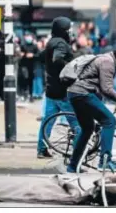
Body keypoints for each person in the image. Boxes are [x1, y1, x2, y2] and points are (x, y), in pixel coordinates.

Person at [67, 40, 116, 172]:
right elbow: (107, 89)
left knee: (87, 129)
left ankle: (72, 166)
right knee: (109, 121)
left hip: (75, 93)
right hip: (83, 93)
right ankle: (105, 161)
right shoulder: (107, 62)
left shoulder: (108, 60)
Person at [37, 17, 81, 159]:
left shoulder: (51, 42)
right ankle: (77, 153)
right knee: (76, 122)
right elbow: (57, 59)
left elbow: (42, 57)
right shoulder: (61, 44)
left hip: (51, 90)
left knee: (47, 121)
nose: (70, 31)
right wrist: (72, 69)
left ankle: (41, 149)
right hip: (63, 91)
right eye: (68, 29)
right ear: (64, 30)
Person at [19, 32, 38, 102]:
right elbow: (20, 54)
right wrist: (23, 55)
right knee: (25, 79)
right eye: (27, 36)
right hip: (24, 65)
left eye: (29, 36)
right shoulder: (23, 46)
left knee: (31, 81)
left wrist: (33, 55)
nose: (28, 38)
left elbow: (38, 55)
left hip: (32, 66)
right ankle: (24, 94)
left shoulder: (34, 46)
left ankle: (30, 95)